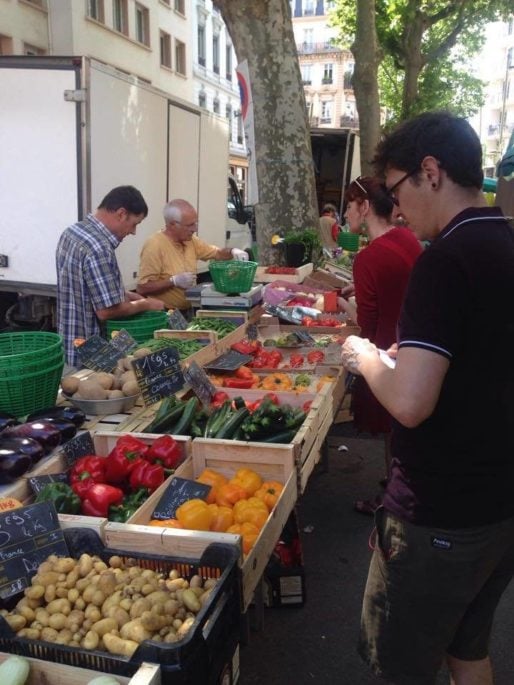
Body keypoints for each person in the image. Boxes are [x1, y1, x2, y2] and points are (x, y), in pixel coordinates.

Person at [341, 111, 514, 685]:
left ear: (430, 172)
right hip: (500, 504)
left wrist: (367, 358)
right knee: (468, 649)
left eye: (396, 190)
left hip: (441, 513)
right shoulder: (506, 242)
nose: (397, 209)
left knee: (402, 666)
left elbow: (412, 403)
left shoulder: (444, 261)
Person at [338, 176, 422, 515]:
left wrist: (340, 304)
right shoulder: (406, 238)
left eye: (348, 205)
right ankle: (396, 488)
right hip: (413, 345)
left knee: (393, 433)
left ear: (364, 206)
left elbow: (366, 326)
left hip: (386, 353)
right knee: (403, 435)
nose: (345, 214)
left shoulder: (368, 257)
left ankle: (393, 499)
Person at [56, 185, 165, 367]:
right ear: (121, 214)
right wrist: (146, 304)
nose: (133, 232)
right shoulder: (99, 247)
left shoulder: (72, 232)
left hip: (69, 341)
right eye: (134, 224)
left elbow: (88, 288)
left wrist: (127, 295)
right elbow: (106, 311)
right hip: (91, 352)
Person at [137, 199, 248, 313]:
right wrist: (173, 281)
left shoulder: (191, 241)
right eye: (190, 225)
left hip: (188, 309)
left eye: (195, 223)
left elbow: (217, 253)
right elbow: (142, 288)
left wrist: (232, 251)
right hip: (164, 313)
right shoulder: (154, 245)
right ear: (172, 225)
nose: (195, 229)